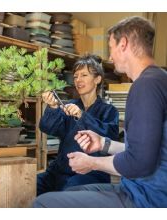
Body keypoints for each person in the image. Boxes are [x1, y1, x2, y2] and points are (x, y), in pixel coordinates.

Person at [33, 16, 167, 208]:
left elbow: (140, 162)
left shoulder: (144, 86)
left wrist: (91, 163)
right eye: (76, 76)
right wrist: (102, 143)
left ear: (124, 44)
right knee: (49, 189)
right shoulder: (158, 80)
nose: (110, 57)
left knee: (43, 204)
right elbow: (141, 151)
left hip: (145, 198)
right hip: (134, 188)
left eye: (111, 47)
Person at [37, 54, 119, 196]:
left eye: (84, 75)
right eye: (75, 76)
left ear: (97, 79)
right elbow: (47, 128)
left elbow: (109, 136)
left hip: (91, 173)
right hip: (59, 171)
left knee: (67, 194)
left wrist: (82, 116)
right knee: (28, 186)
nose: (78, 80)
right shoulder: (70, 105)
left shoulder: (109, 110)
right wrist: (52, 107)